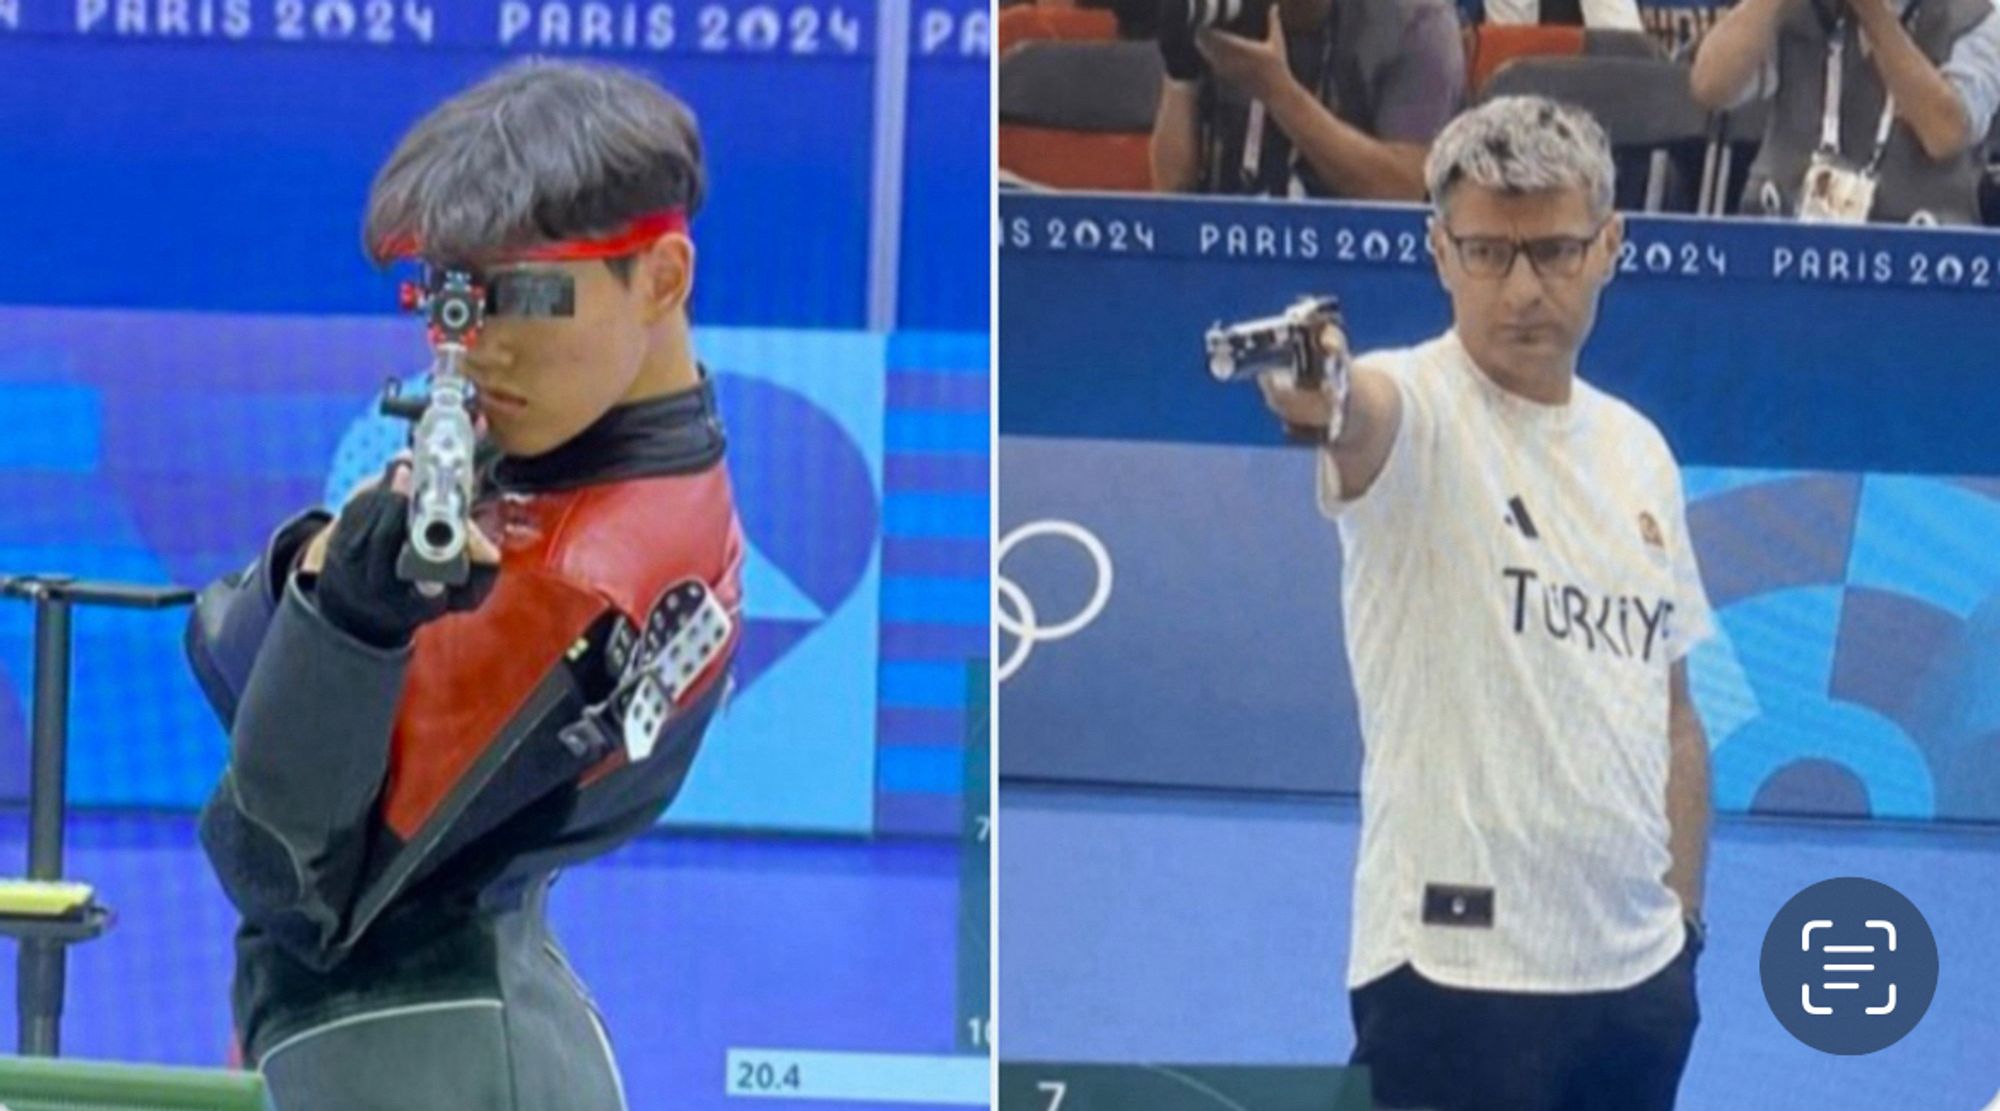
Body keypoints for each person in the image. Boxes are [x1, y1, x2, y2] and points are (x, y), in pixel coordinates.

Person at [186, 59, 744, 1110]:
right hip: (428, 1026)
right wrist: (326, 584)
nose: (475, 348)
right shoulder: (579, 459)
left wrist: (340, 611)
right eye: (451, 298)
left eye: (526, 297)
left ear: (662, 279)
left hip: (435, 1058)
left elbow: (281, 869)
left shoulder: (585, 578)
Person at [1258, 96, 1711, 1110]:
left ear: (1608, 246)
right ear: (1436, 252)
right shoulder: (1406, 401)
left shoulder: (1639, 450)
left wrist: (1682, 929)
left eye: (1551, 250)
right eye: (1484, 252)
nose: (1519, 288)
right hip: (1446, 979)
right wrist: (1318, 390)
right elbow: (1347, 414)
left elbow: (1674, 718)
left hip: (1633, 985)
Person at [1690, 0, 2000, 224]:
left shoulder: (1977, 18)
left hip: (1916, 261)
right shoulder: (1797, 10)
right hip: (1785, 243)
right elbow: (1711, 87)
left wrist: (1873, 14)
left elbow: (1945, 133)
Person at [1149, 0, 1465, 197]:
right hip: (1238, 255)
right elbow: (1172, 189)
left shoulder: (1416, 20)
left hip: (1361, 259)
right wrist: (1180, 73)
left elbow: (1410, 190)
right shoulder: (1216, 12)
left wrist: (1278, 92)